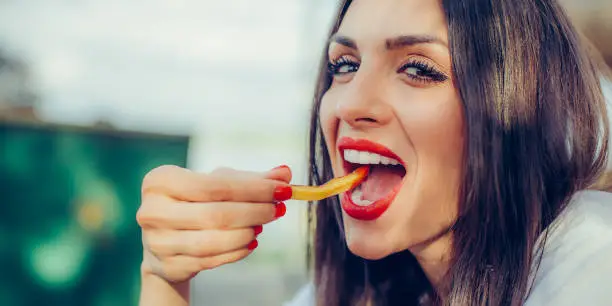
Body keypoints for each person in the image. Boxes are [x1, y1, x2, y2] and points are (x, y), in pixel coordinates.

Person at [136, 0, 612, 305]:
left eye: (419, 70)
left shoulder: (596, 260)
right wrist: (164, 278)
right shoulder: (362, 290)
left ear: (520, 105)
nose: (351, 103)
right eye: (344, 65)